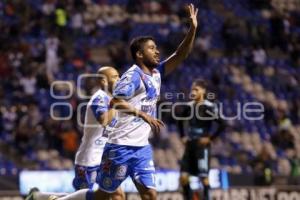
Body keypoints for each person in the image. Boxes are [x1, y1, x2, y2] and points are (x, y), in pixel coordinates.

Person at [27, 3, 198, 200]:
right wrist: (142, 114)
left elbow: (180, 54)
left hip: (141, 148)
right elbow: (115, 101)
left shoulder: (156, 73)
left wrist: (192, 30)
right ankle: (52, 199)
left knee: (150, 195)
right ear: (139, 54)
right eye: (152, 48)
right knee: (104, 197)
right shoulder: (132, 77)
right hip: (120, 147)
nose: (157, 51)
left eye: (156, 48)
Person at [26, 66, 125, 200]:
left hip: (105, 158)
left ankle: (40, 197)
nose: (119, 79)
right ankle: (40, 197)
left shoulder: (114, 99)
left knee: (117, 195)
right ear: (104, 81)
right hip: (89, 159)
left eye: (119, 76)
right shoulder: (99, 98)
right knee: (86, 197)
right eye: (115, 77)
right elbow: (105, 121)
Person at [177, 79, 225, 200]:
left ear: (203, 91)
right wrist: (182, 136)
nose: (193, 92)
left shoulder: (208, 107)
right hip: (190, 145)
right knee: (183, 177)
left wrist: (210, 138)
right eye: (192, 89)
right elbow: (179, 121)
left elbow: (223, 124)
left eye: (196, 89)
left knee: (204, 178)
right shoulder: (189, 106)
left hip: (202, 147)